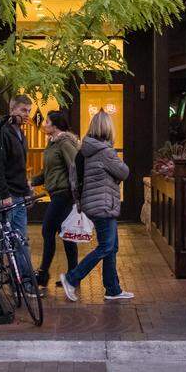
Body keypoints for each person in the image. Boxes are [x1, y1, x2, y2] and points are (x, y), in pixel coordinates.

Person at [60, 111, 131, 301]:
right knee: (106, 247)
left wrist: (79, 201)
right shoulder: (106, 152)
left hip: (91, 204)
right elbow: (124, 172)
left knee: (112, 246)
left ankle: (113, 289)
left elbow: (74, 179)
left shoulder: (83, 151)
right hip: (104, 205)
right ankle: (71, 278)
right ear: (108, 128)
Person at [31, 110, 79, 287]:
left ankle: (44, 274)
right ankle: (74, 276)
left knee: (47, 230)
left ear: (56, 126)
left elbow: (75, 166)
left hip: (64, 194)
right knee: (66, 234)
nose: (44, 124)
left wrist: (75, 192)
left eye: (47, 122)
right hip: (56, 194)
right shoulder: (51, 144)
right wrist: (33, 181)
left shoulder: (64, 143)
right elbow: (48, 171)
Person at [0, 95, 33, 257]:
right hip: (9, 195)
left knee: (21, 239)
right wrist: (4, 194)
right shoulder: (3, 131)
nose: (26, 114)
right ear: (12, 109)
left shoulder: (20, 134)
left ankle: (25, 279)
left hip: (20, 195)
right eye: (23, 110)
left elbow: (19, 166)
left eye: (29, 111)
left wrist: (27, 190)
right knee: (0, 239)